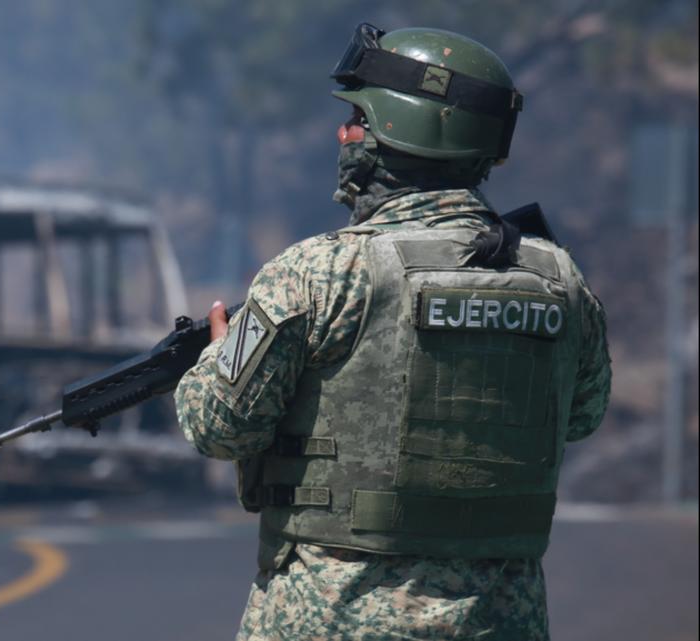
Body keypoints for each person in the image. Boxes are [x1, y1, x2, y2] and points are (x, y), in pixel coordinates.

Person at [174, 24, 611, 641]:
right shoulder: (560, 280)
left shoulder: (319, 272)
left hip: (332, 616)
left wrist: (217, 358)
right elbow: (583, 415)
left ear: (393, 134)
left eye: (357, 118)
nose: (343, 133)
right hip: (500, 620)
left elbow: (218, 426)